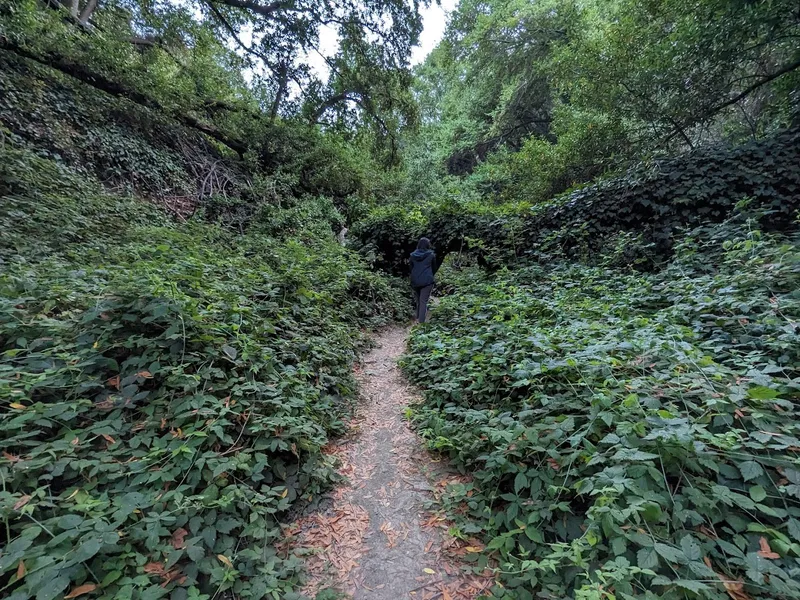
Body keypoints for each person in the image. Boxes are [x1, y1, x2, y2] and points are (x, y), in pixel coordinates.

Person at [409, 237, 438, 323]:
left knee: (419, 300)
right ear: (427, 245)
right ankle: (421, 322)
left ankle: (417, 318)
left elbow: (411, 267)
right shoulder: (431, 255)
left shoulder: (412, 255)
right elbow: (434, 268)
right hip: (427, 281)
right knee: (423, 301)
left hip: (415, 280)